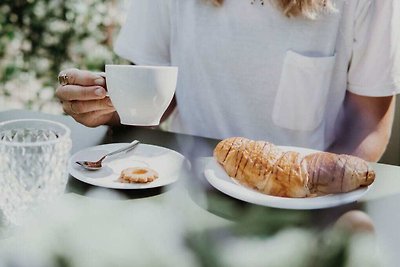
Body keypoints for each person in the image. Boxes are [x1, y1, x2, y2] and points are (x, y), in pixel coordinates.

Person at [56, 0, 400, 162]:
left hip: (303, 197)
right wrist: (104, 102)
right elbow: (157, 99)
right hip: (188, 183)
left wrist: (324, 188)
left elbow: (369, 122)